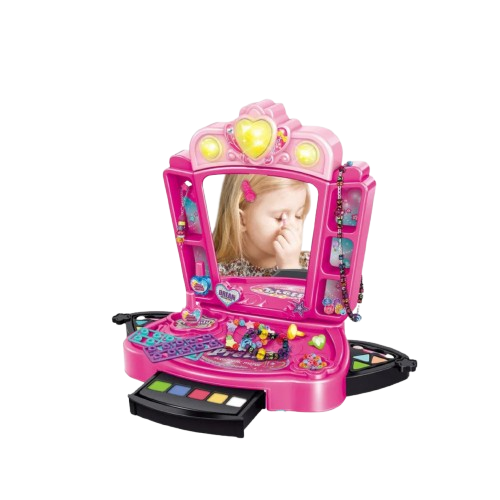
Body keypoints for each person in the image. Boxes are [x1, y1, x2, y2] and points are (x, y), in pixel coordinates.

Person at [213, 174, 311, 277]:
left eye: (298, 216)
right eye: (279, 218)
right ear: (241, 220)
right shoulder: (222, 274)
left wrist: (291, 268)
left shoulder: (312, 265)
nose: (293, 227)